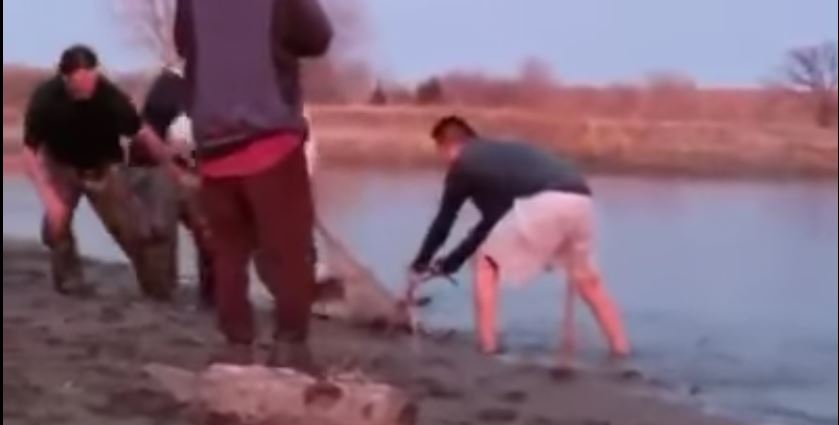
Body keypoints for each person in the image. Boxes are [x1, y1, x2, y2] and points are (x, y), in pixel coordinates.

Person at [174, 0, 333, 367]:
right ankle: (290, 344)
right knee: (289, 251)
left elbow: (186, 46)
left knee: (229, 254)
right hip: (270, 140)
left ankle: (236, 345)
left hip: (213, 144)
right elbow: (318, 37)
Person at [411, 116, 631, 360]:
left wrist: (419, 265)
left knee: (485, 264)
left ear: (448, 146)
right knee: (588, 281)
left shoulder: (464, 164)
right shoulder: (502, 157)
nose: (443, 161)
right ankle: (622, 350)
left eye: (440, 153)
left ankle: (488, 347)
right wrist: (451, 262)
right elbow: (491, 224)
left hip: (547, 201)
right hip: (581, 198)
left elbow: (444, 221)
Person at [22, 45, 193, 300]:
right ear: (65, 78)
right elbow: (29, 152)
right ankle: (69, 283)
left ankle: (157, 290)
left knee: (133, 231)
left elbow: (142, 133)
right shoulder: (46, 99)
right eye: (79, 80)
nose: (87, 86)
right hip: (62, 167)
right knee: (55, 227)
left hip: (102, 166)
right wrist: (50, 199)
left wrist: (170, 165)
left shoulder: (109, 96)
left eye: (91, 77)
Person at [129, 65, 215, 307]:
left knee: (213, 231)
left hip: (193, 168)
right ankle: (160, 296)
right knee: (161, 230)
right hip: (154, 167)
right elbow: (147, 134)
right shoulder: (169, 86)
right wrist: (175, 169)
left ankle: (214, 297)